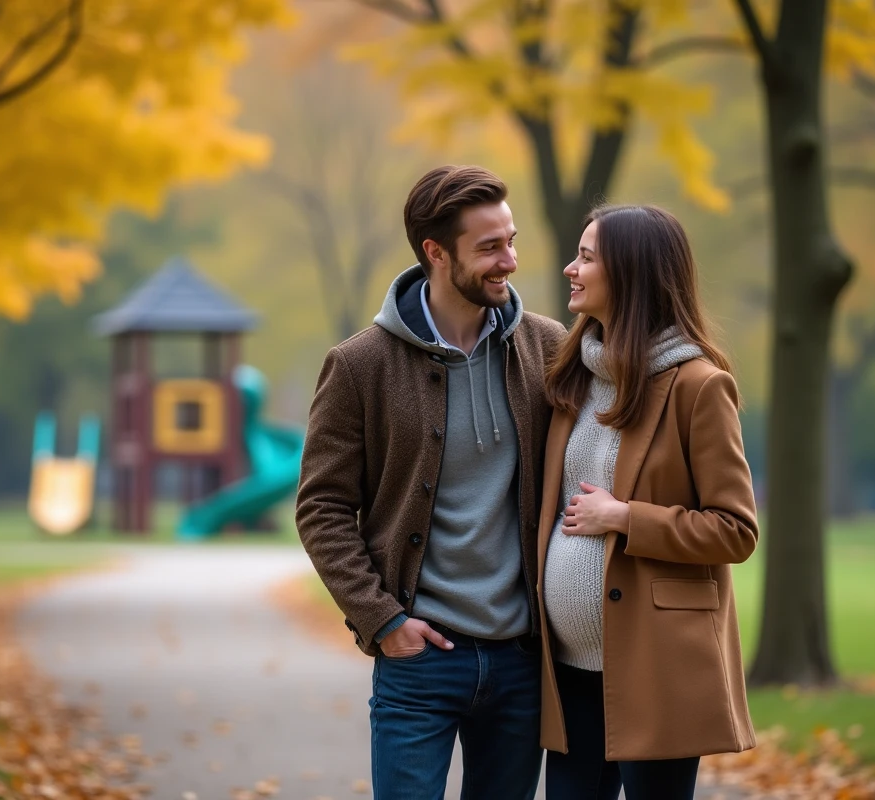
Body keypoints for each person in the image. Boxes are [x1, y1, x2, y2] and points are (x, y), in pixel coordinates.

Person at [296, 165, 566, 800]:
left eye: (512, 239)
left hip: (522, 660)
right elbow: (322, 508)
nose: (511, 260)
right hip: (419, 661)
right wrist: (382, 619)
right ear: (436, 253)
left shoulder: (548, 348)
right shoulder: (360, 365)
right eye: (490, 247)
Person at [537, 204, 760, 800]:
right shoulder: (571, 376)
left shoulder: (699, 386)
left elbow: (735, 529)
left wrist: (624, 517)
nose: (569, 268)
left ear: (631, 273)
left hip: (657, 670)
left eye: (586, 257)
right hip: (569, 672)